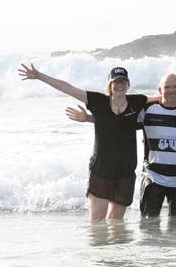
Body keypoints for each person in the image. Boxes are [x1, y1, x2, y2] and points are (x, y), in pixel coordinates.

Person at [19, 64, 148, 221]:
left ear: (128, 84)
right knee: (97, 221)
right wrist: (40, 76)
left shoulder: (137, 101)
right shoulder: (98, 101)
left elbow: (166, 97)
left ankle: (116, 247)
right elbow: (68, 88)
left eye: (123, 81)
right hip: (101, 169)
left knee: (116, 223)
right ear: (110, 85)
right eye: (116, 82)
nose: (120, 85)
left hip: (126, 171)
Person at [67, 73, 176, 218]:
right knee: (146, 228)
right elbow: (116, 122)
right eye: (167, 87)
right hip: (151, 178)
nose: (171, 90)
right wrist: (88, 118)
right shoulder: (146, 110)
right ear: (160, 90)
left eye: (175, 87)